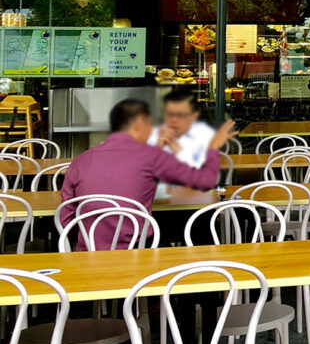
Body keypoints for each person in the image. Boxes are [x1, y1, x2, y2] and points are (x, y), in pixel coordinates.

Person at [59, 98, 234, 249]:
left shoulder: (80, 161)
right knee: (196, 226)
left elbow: (65, 218)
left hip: (89, 252)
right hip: (138, 250)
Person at [149, 87, 216, 168]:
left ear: (194, 116)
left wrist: (177, 149)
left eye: (180, 115)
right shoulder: (152, 135)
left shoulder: (204, 136)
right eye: (169, 114)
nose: (174, 120)